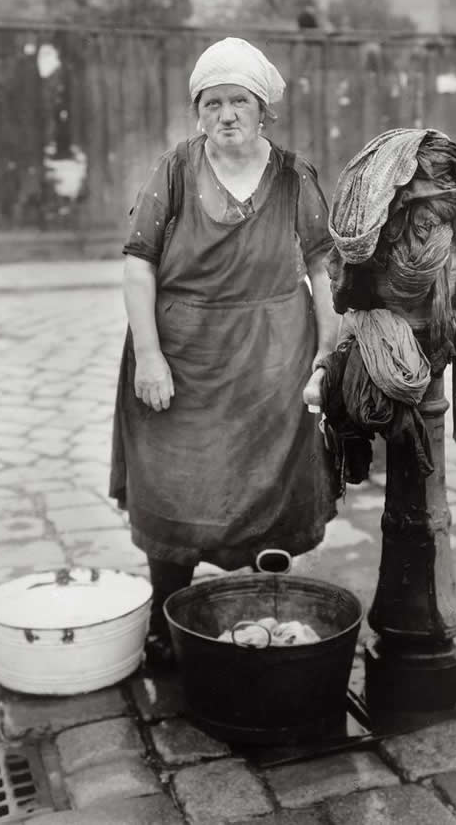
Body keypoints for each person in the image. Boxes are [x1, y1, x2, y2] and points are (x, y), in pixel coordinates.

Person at [109, 37, 341, 666]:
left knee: (272, 483)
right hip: (183, 361)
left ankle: (263, 604)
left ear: (263, 109)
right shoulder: (176, 170)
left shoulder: (294, 177)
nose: (227, 114)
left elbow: (325, 267)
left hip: (272, 363)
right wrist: (150, 358)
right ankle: (167, 621)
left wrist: (327, 353)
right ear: (199, 111)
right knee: (174, 486)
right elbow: (139, 266)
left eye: (239, 101)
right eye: (212, 103)